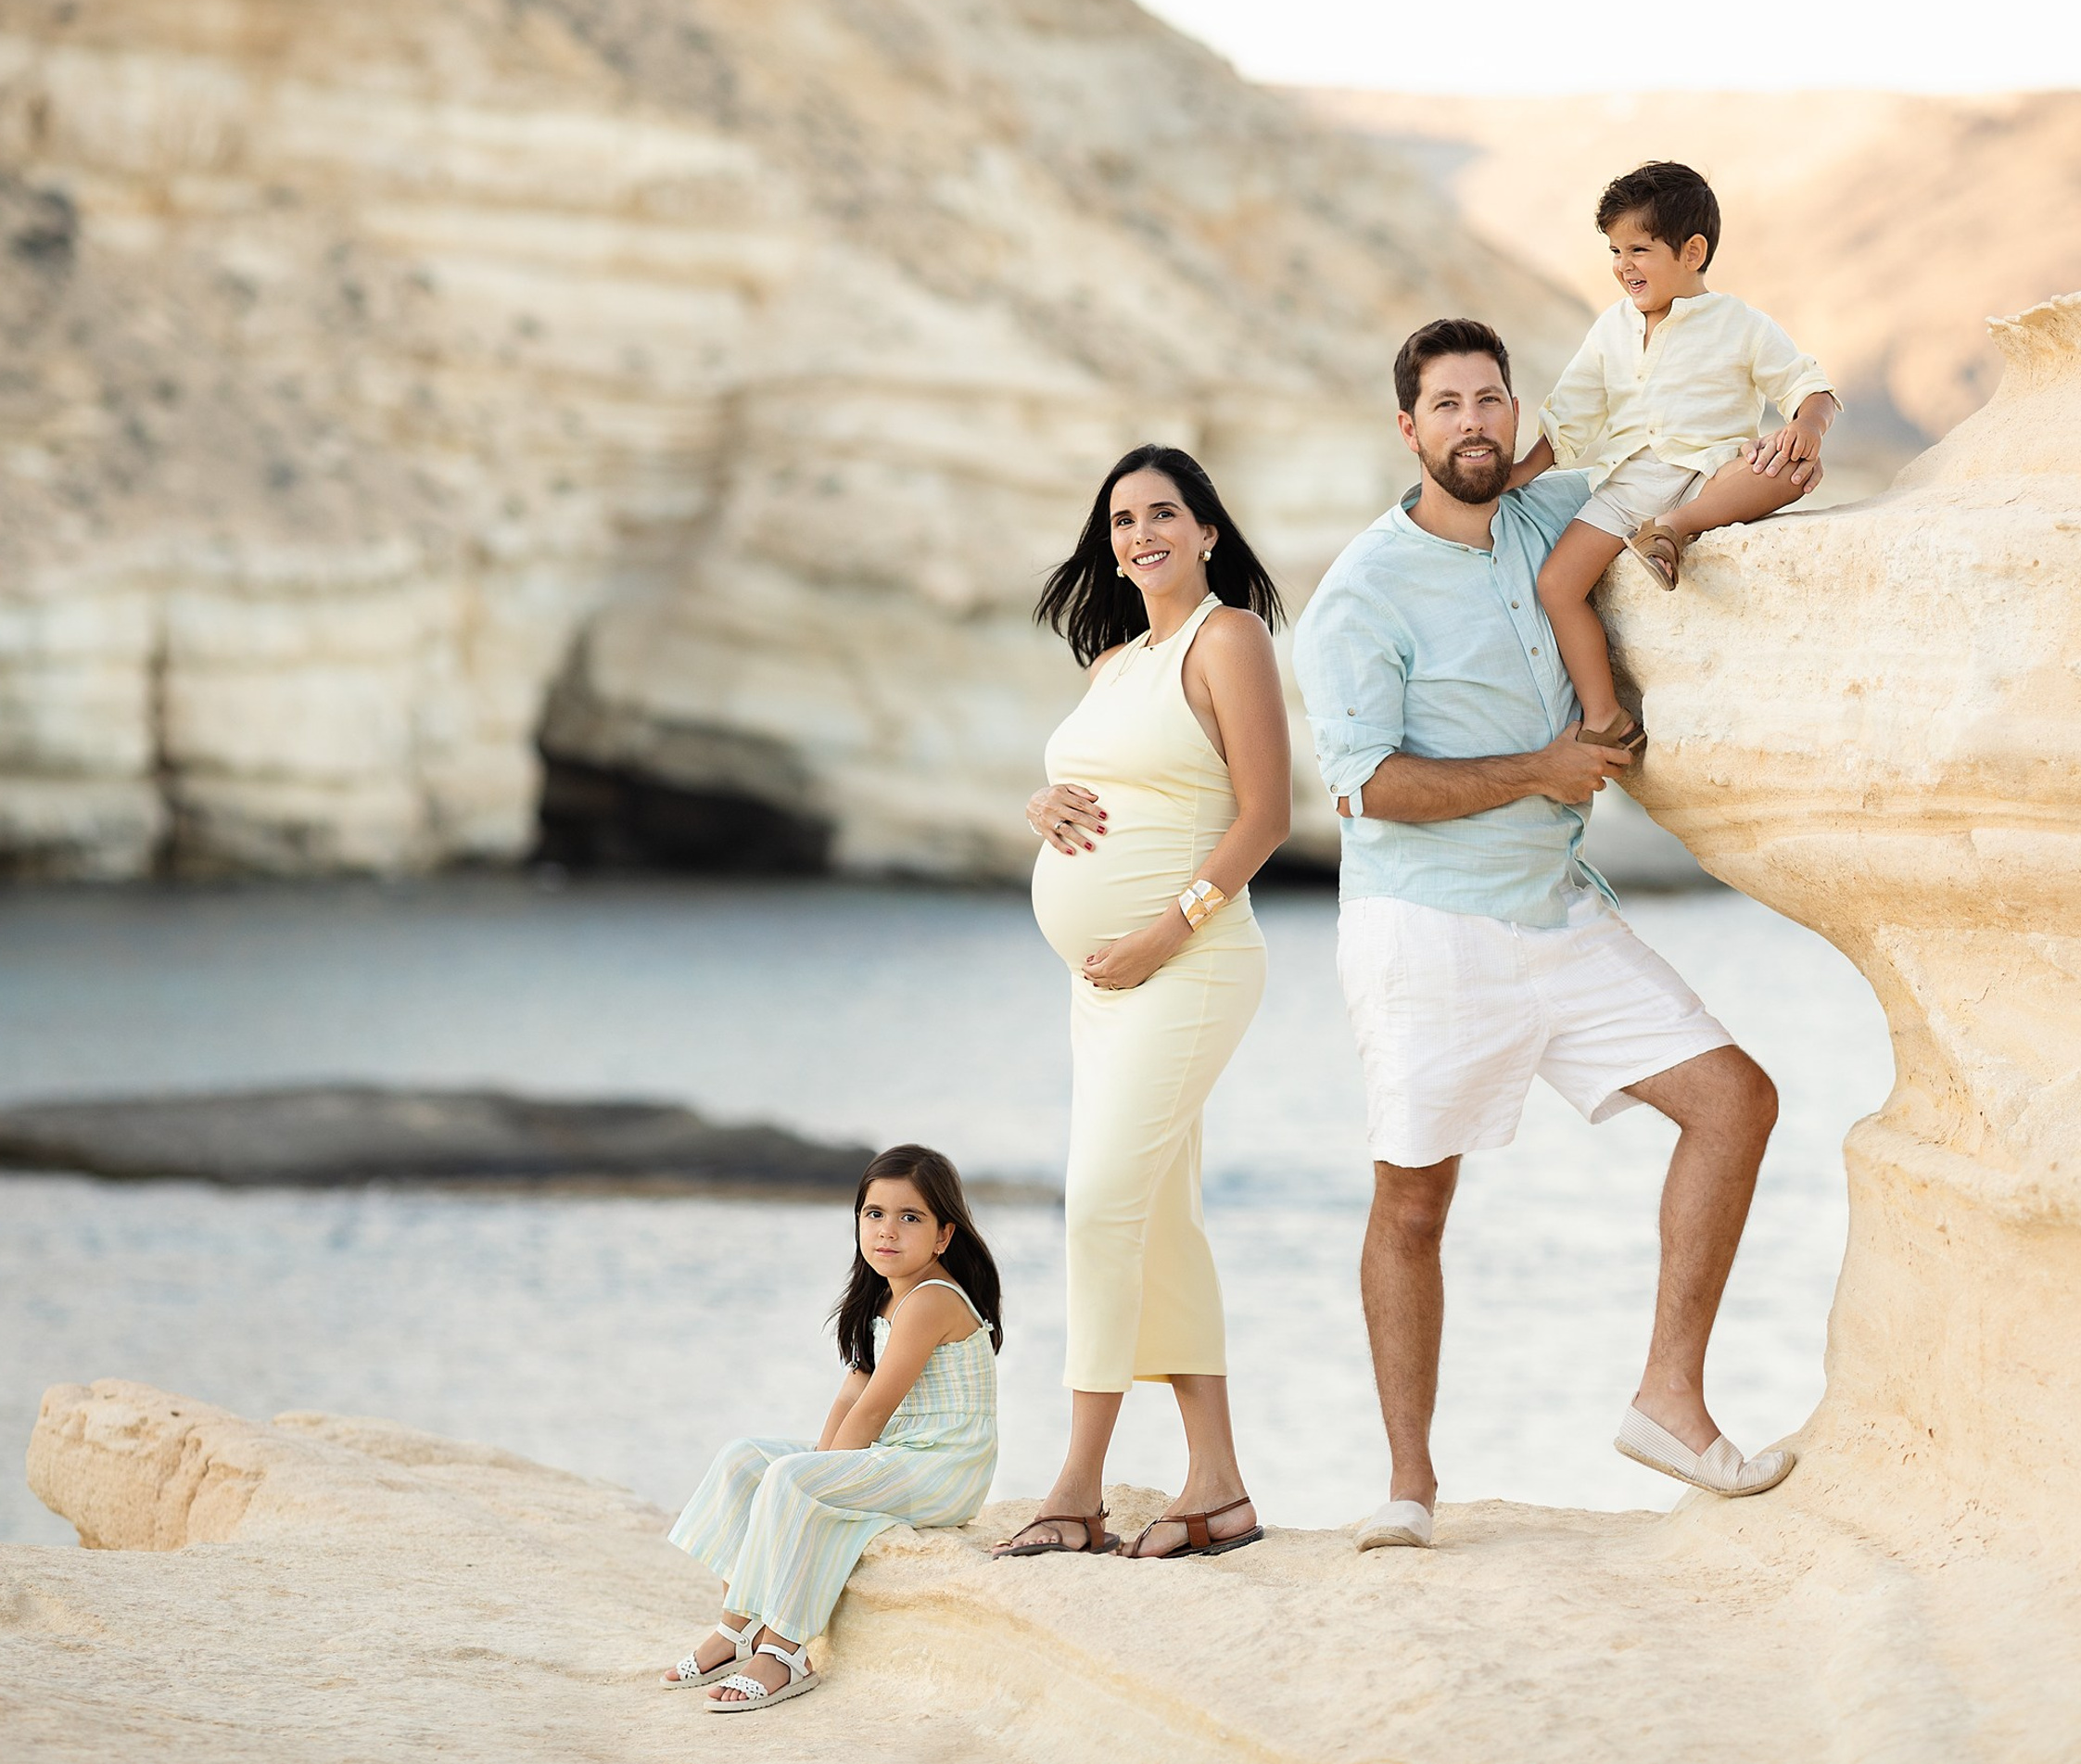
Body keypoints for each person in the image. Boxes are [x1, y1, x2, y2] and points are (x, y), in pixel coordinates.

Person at [1292, 317, 1795, 1552]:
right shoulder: (1360, 592)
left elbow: (1666, 482)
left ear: (1514, 415)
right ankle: (1408, 1486)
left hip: (1558, 910)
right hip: (1428, 929)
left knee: (1735, 1103)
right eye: (1446, 404)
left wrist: (1776, 458)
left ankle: (1667, 1401)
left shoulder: (1551, 517)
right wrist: (1540, 768)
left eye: (1489, 400)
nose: (1473, 423)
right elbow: (1364, 786)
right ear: (1406, 428)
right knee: (1414, 1202)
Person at [996, 443, 1292, 1564]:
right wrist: (1043, 804)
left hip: (1192, 964)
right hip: (1106, 986)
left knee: (1098, 1208)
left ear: (1207, 529)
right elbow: (1102, 785)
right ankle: (1217, 1488)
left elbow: (1266, 815)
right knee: (1160, 1221)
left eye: (1162, 512)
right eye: (1122, 521)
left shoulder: (1229, 638)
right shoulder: (1115, 662)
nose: (1140, 534)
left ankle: (1075, 1488)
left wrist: (1168, 927)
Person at [1512, 159, 1838, 745]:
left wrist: (1808, 424)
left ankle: (1671, 529)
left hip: (1712, 477)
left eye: (1638, 250)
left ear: (1692, 252)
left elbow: (1806, 384)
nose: (1623, 265)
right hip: (1627, 484)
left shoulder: (1740, 323)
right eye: (1615, 251)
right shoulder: (1610, 328)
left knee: (1798, 465)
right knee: (1556, 586)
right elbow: (1571, 414)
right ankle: (1606, 716)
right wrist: (1521, 473)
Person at [662, 1146, 1000, 1710]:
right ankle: (737, 1627)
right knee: (746, 1459)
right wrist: (813, 1466)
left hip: (943, 1468)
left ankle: (785, 1652)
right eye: (875, 1214)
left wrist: (813, 1479)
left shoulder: (931, 1301)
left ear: (943, 1236)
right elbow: (849, 1396)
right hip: (898, 1453)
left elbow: (873, 1411)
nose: (887, 1231)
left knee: (794, 1482)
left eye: (910, 1217)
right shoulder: (883, 1298)